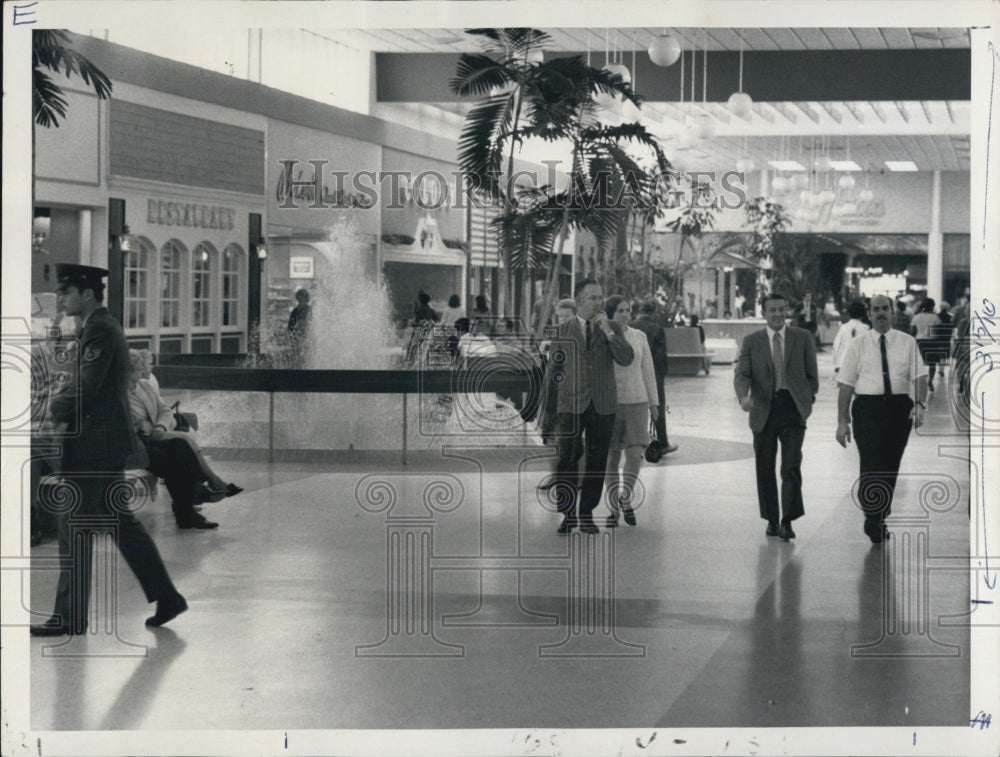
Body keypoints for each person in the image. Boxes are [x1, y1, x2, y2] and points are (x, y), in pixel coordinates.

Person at [31, 264, 187, 636]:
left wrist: (53, 410)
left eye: (66, 293)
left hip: (95, 446)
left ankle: (70, 616)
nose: (61, 299)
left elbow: (89, 385)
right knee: (118, 523)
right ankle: (167, 597)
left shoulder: (100, 328)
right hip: (102, 442)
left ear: (86, 293)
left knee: (74, 525)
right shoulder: (94, 327)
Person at [836, 295, 927, 544]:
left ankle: (880, 514)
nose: (880, 313)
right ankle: (872, 516)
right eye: (875, 309)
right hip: (867, 408)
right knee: (871, 460)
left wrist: (919, 404)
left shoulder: (907, 342)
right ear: (870, 313)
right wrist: (842, 421)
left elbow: (919, 376)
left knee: (890, 463)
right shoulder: (858, 345)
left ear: (892, 312)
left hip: (899, 409)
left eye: (884, 308)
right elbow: (845, 385)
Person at [545, 278, 634, 534]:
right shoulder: (563, 331)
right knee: (567, 459)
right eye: (593, 298)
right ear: (579, 300)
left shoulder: (613, 327)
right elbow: (554, 372)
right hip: (569, 403)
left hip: (602, 404)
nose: (599, 302)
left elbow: (626, 358)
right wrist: (549, 412)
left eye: (600, 297)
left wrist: (607, 331)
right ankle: (568, 513)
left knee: (597, 460)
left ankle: (586, 513)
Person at [733, 293, 819, 541]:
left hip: (792, 410)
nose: (778, 314)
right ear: (764, 313)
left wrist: (806, 400)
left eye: (782, 309)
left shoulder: (802, 338)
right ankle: (771, 519)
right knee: (765, 467)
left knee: (791, 466)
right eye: (772, 310)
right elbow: (742, 374)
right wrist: (743, 397)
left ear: (787, 310)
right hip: (763, 410)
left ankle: (788, 520)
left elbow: (812, 376)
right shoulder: (752, 341)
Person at [128, 350, 242, 528]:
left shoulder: (145, 386)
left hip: (156, 437)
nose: (142, 373)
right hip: (136, 445)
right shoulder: (116, 394)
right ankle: (199, 492)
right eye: (137, 370)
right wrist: (139, 425)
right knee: (178, 452)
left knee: (180, 447)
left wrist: (159, 426)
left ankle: (196, 496)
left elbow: (165, 411)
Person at [603, 297, 659, 528]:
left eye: (628, 310)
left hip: (638, 402)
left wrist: (654, 404)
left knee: (635, 455)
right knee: (611, 457)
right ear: (610, 314)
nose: (626, 315)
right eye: (620, 311)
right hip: (611, 404)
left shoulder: (639, 336)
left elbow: (648, 371)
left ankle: (625, 497)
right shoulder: (603, 337)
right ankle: (613, 507)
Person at [630, 300, 678, 454]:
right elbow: (660, 356)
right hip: (653, 374)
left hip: (632, 373)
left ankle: (634, 442)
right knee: (657, 407)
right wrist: (662, 375)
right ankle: (663, 443)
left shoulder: (630, 326)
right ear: (653, 312)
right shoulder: (656, 328)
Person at [910, 297, 942, 391]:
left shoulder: (916, 317)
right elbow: (939, 331)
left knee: (918, 364)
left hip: (920, 342)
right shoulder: (936, 318)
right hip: (932, 342)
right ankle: (930, 382)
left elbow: (912, 331)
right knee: (932, 364)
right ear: (932, 306)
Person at [831, 301, 870, 375]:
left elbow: (836, 345)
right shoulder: (866, 328)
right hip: (859, 366)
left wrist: (836, 361)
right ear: (863, 314)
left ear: (849, 314)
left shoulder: (843, 327)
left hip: (843, 363)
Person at [287, 288, 312, 365]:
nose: (299, 299)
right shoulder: (296, 310)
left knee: (304, 355)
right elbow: (290, 325)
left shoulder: (309, 309)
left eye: (301, 296)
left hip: (305, 335)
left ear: (305, 297)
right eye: (298, 297)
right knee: (297, 355)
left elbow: (310, 323)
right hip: (297, 336)